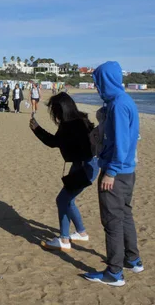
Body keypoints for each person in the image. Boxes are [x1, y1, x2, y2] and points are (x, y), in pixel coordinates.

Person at [83, 61, 142, 287]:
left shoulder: (118, 104)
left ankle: (114, 272)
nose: (97, 87)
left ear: (106, 80)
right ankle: (133, 259)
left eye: (98, 81)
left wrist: (111, 172)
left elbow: (122, 143)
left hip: (116, 172)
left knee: (112, 221)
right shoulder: (122, 101)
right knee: (125, 214)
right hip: (128, 172)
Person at [29, 93, 99, 252]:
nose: (54, 114)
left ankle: (64, 240)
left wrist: (37, 129)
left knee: (62, 200)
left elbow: (54, 142)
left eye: (54, 110)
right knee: (69, 200)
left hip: (84, 167)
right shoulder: (80, 119)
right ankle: (81, 233)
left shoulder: (71, 125)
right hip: (88, 165)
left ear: (61, 110)